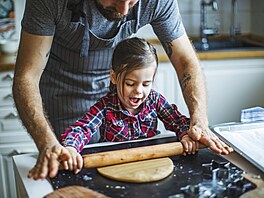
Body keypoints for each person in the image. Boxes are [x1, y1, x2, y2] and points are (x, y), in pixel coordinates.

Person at [12, 0, 233, 180]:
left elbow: (186, 63)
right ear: (115, 77)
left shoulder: (152, 100)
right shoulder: (50, 3)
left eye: (132, 0)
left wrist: (197, 125)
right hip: (62, 92)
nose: (125, 10)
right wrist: (56, 145)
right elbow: (27, 76)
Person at [61, 37, 199, 174]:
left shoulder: (155, 100)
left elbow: (177, 121)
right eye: (130, 84)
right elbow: (83, 129)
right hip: (115, 164)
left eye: (146, 84)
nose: (138, 91)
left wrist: (185, 135)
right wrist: (71, 147)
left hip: (151, 162)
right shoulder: (105, 106)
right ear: (114, 77)